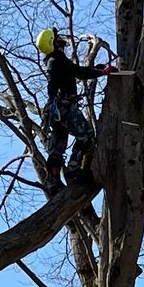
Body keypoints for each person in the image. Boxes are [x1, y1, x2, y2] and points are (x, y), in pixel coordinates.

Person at [34, 25, 112, 182]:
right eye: (58, 38)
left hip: (55, 110)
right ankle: (73, 168)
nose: (61, 40)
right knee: (87, 136)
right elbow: (79, 72)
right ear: (54, 43)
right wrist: (101, 72)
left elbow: (74, 70)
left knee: (57, 149)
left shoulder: (53, 62)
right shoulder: (58, 60)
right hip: (65, 106)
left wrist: (95, 69)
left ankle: (53, 183)